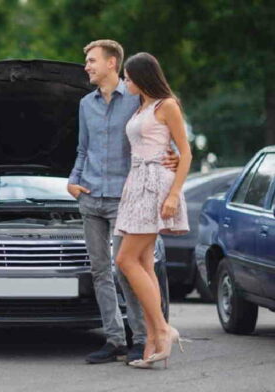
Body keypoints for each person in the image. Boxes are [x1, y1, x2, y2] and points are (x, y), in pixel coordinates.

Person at [67, 40, 178, 365]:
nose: (86, 66)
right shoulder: (85, 104)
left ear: (112, 63)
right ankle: (114, 339)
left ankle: (141, 337)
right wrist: (73, 180)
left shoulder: (135, 99)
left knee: (126, 269)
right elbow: (82, 150)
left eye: (91, 60)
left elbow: (158, 133)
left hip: (126, 198)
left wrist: (169, 158)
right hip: (90, 196)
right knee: (100, 270)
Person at [114, 52, 191, 369]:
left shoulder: (166, 105)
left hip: (156, 185)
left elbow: (185, 154)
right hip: (135, 183)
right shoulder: (140, 107)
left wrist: (173, 194)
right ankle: (153, 341)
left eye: (129, 77)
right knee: (143, 262)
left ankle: (163, 328)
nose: (125, 81)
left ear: (143, 77)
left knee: (125, 259)